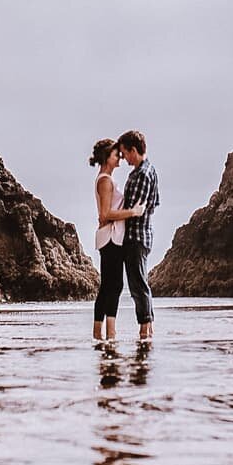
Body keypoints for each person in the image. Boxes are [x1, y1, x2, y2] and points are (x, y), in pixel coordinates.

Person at [90, 137, 147, 342]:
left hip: (111, 236)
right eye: (117, 155)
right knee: (113, 286)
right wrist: (133, 212)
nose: (120, 159)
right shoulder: (105, 180)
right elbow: (105, 214)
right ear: (107, 157)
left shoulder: (106, 179)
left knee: (108, 286)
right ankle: (109, 334)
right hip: (111, 237)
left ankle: (100, 333)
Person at [116, 129, 161, 343]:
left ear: (134, 150)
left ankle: (145, 330)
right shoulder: (147, 171)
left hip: (136, 236)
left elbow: (135, 209)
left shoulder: (143, 173)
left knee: (138, 285)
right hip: (141, 235)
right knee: (140, 283)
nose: (124, 159)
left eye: (125, 154)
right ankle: (147, 329)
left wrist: (110, 216)